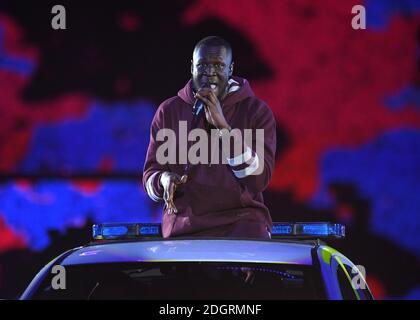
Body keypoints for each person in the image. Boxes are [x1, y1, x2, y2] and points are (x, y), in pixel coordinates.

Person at [142, 36, 276, 239]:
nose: (209, 73)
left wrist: (223, 127)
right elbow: (150, 175)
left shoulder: (255, 112)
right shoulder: (168, 112)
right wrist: (163, 179)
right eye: (202, 65)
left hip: (243, 226)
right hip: (183, 230)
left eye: (218, 65)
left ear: (230, 69)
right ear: (191, 68)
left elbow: (258, 180)